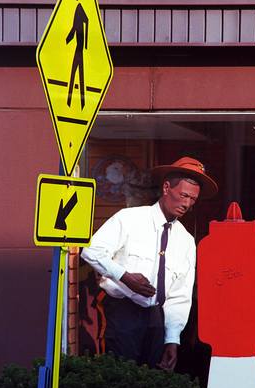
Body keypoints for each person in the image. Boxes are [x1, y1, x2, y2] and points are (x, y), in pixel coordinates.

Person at [81, 156, 218, 370]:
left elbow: (180, 295)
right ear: (166, 188)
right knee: (120, 377)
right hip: (121, 312)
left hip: (157, 319)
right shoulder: (129, 219)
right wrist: (125, 276)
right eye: (183, 195)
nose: (187, 204)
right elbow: (91, 250)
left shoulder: (186, 241)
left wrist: (172, 339)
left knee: (153, 383)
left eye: (193, 199)